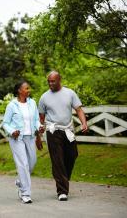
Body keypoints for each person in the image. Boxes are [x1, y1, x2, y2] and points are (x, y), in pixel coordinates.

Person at [38, 71, 88, 201]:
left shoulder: (70, 93)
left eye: (53, 81)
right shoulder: (44, 97)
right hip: (53, 131)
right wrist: (40, 130)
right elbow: (41, 117)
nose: (50, 83)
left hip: (68, 130)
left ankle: (63, 178)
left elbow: (79, 110)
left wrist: (84, 123)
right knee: (57, 160)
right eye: (48, 81)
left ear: (59, 80)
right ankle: (62, 191)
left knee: (72, 155)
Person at [3, 80, 42, 204]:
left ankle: (20, 182)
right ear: (19, 90)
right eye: (26, 88)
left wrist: (39, 127)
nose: (29, 90)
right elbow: (5, 123)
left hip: (30, 137)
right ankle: (25, 193)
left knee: (32, 162)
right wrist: (12, 131)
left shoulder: (32, 103)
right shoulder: (12, 105)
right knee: (23, 164)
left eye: (28, 88)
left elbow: (36, 119)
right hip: (17, 138)